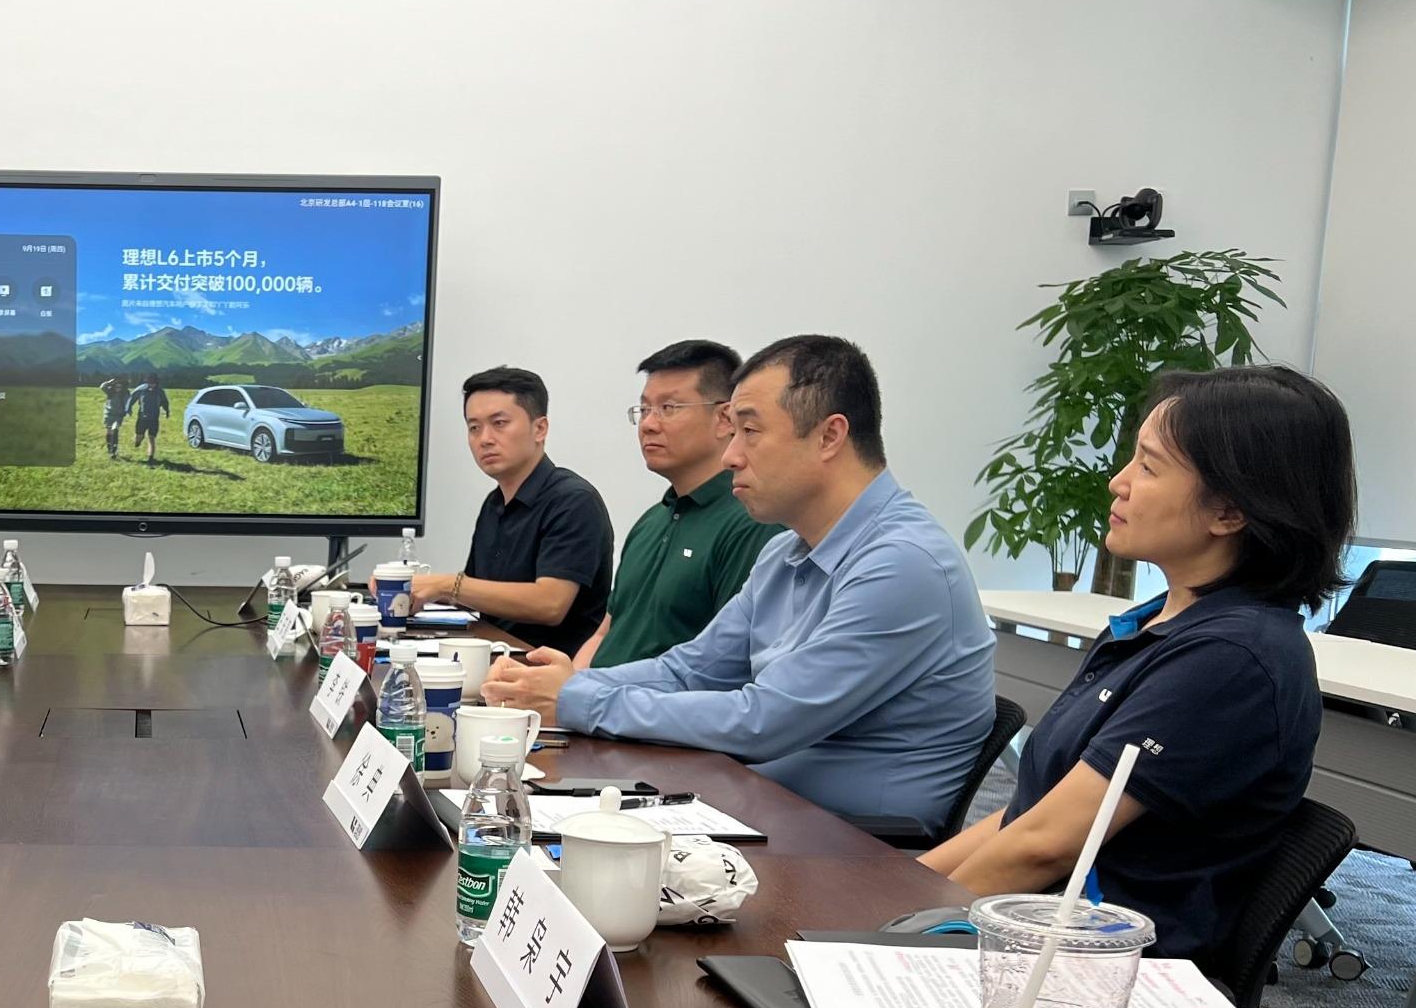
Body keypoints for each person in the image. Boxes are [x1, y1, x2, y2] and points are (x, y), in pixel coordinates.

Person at [921, 366, 1355, 961]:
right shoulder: (1154, 624)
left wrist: (883, 925)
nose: (1118, 483)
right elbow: (1027, 820)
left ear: (1229, 512)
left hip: (1093, 974)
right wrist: (901, 890)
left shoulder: (1230, 659)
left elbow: (1045, 847)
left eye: (1148, 467)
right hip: (1032, 933)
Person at [482, 336, 993, 831]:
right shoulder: (785, 551)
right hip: (755, 802)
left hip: (857, 848)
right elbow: (690, 670)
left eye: (750, 432)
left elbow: (765, 720)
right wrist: (560, 688)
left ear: (829, 437)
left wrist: (579, 701)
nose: (730, 456)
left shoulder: (903, 564)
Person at [575, 340, 783, 669]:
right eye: (644, 409)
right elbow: (606, 633)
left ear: (725, 418)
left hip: (648, 713)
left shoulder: (751, 521)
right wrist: (567, 689)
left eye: (668, 408)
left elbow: (726, 667)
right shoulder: (651, 520)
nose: (648, 424)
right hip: (591, 707)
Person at [409, 366, 615, 654]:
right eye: (474, 427)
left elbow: (550, 604)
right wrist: (416, 587)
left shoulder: (573, 501)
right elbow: (476, 592)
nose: (485, 439)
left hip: (545, 672)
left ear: (539, 428)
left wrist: (445, 585)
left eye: (500, 423)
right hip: (493, 657)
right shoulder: (494, 503)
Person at [128, 373, 170, 462]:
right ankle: (138, 441)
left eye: (154, 383)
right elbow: (132, 398)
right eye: (150, 382)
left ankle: (151, 458)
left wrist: (167, 411)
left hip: (154, 418)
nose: (152, 384)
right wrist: (129, 408)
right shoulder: (141, 389)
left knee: (151, 438)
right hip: (142, 417)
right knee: (139, 436)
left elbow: (165, 402)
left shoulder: (160, 391)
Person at [98, 376, 130, 459]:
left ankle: (114, 451)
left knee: (115, 430)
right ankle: (109, 448)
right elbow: (102, 386)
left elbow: (128, 404)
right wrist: (109, 382)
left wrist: (128, 411)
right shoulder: (110, 392)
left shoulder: (125, 394)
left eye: (119, 387)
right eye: (116, 386)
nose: (118, 388)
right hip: (108, 414)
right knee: (109, 432)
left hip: (118, 416)